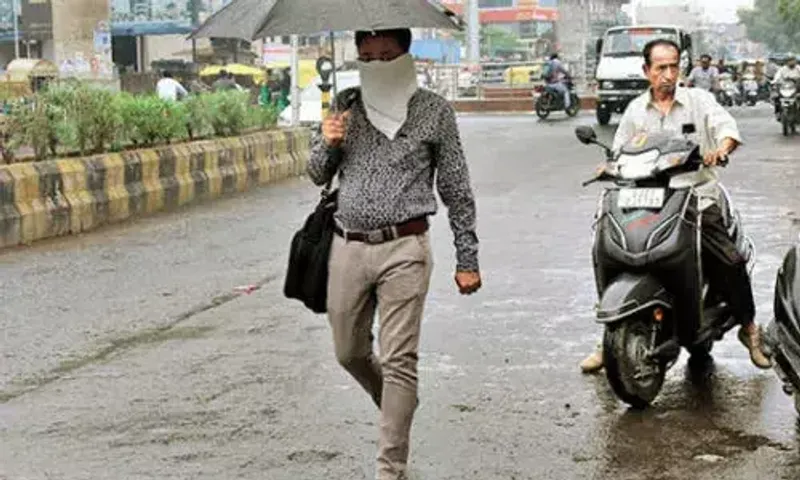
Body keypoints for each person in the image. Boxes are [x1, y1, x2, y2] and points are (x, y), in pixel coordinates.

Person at [307, 28, 482, 480]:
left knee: (400, 358)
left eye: (387, 55)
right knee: (348, 350)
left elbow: (456, 189)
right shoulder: (345, 105)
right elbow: (315, 173)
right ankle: (397, 399)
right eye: (368, 56)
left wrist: (468, 258)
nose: (377, 64)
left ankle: (391, 469)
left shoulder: (434, 112)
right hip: (348, 245)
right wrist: (327, 141)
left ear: (407, 55)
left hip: (405, 247)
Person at [579, 38, 771, 374]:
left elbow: (727, 130)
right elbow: (620, 150)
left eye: (673, 67)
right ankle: (610, 332)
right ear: (646, 71)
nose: (668, 74)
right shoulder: (636, 110)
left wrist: (721, 149)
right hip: (646, 198)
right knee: (606, 247)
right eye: (660, 68)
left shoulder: (699, 100)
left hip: (695, 196)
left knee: (729, 258)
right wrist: (608, 166)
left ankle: (750, 328)